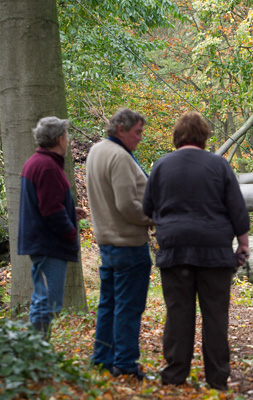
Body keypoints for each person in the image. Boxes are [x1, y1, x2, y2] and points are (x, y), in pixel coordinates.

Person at [142, 111, 250, 389]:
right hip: (214, 252)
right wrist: (243, 245)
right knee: (215, 315)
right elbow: (237, 209)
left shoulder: (161, 166)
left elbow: (147, 209)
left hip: (175, 251)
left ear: (177, 136)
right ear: (204, 136)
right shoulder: (220, 165)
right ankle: (217, 379)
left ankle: (175, 375)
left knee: (178, 313)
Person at [86, 108, 154, 380]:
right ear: (121, 129)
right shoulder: (119, 157)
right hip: (128, 243)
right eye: (137, 132)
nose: (140, 138)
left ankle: (102, 359)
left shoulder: (95, 151)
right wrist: (152, 218)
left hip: (107, 241)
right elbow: (127, 205)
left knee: (108, 304)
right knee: (129, 306)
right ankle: (125, 364)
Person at [18, 116, 87, 339]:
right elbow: (49, 209)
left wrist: (69, 211)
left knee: (45, 300)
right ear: (59, 139)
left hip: (42, 242)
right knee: (47, 302)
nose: (68, 141)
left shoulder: (38, 162)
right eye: (67, 137)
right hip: (48, 244)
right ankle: (38, 353)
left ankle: (39, 352)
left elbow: (46, 203)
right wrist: (70, 232)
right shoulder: (47, 166)